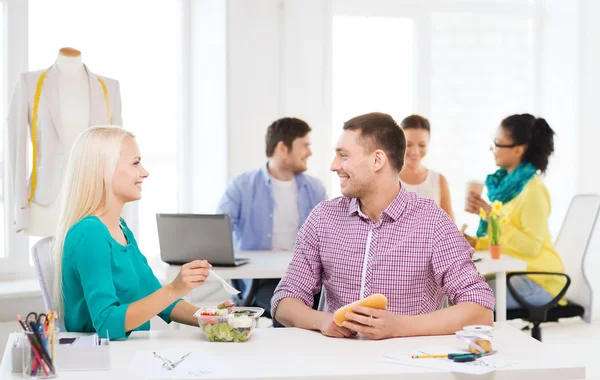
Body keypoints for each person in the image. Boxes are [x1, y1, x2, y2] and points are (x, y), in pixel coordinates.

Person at [271, 112, 494, 340]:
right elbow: (284, 301)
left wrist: (399, 327)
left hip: (411, 364)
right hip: (338, 364)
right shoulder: (323, 218)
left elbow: (480, 310)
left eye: (344, 156)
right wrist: (323, 321)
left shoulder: (433, 222)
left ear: (377, 160)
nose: (333, 166)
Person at [53, 126, 230, 340]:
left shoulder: (120, 228)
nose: (144, 172)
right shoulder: (89, 234)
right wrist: (174, 288)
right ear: (104, 170)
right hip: (103, 363)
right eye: (135, 163)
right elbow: (107, 324)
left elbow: (158, 298)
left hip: (127, 355)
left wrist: (211, 317)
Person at [217, 117, 327, 316]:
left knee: (323, 306)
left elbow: (329, 236)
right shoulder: (242, 186)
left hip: (306, 278)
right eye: (305, 145)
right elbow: (217, 233)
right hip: (260, 281)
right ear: (282, 148)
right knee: (288, 310)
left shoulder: (315, 188)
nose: (309, 152)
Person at [465, 114, 566, 309]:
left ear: (518, 150)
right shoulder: (505, 190)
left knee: (469, 300)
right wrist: (476, 242)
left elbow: (529, 247)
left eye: (497, 143)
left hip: (540, 280)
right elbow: (504, 240)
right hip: (517, 274)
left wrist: (491, 216)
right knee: (458, 292)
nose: (492, 149)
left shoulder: (533, 190)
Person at [399, 115, 454, 220]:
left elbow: (450, 227)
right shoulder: (388, 179)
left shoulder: (439, 180)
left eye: (422, 145)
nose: (415, 151)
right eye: (409, 144)